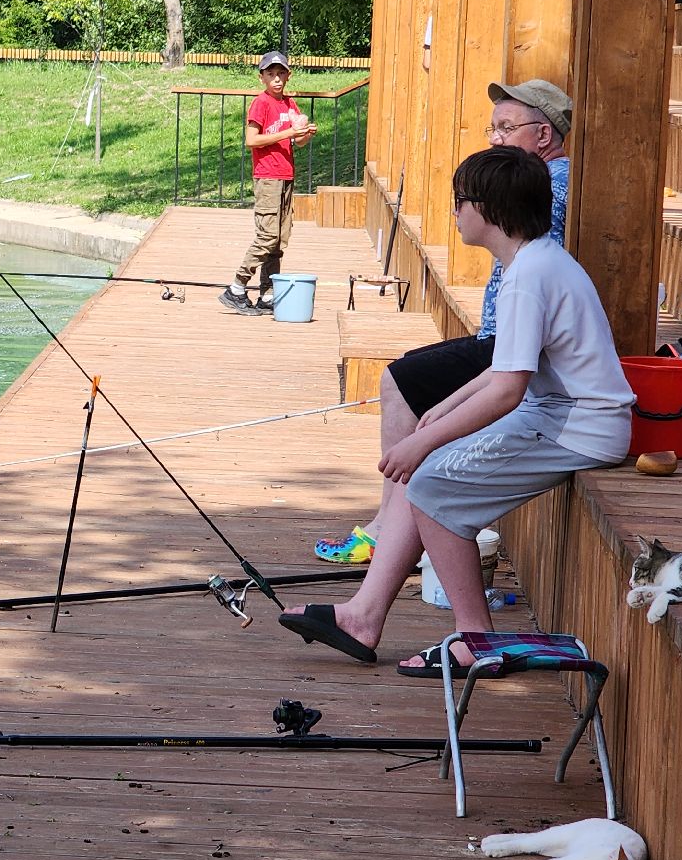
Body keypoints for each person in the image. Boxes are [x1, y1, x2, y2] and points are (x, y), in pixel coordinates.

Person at [279, 146, 633, 675]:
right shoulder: (531, 262)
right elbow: (500, 372)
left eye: (460, 201)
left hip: (577, 426)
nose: (455, 212)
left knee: (430, 487)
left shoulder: (529, 277)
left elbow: (508, 390)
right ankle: (363, 616)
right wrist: (440, 412)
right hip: (558, 414)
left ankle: (474, 642)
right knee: (431, 478)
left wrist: (424, 440)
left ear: (488, 210)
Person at [313, 79, 573, 564]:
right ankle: (387, 525)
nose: (494, 138)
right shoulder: (542, 178)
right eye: (492, 128)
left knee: (403, 379)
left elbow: (536, 273)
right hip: (501, 339)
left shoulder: (549, 186)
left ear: (543, 136)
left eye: (505, 128)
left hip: (516, 348)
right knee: (409, 376)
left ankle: (385, 531)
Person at [219, 50, 318, 316]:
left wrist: (304, 134)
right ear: (262, 77)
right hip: (267, 177)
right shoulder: (261, 104)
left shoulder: (289, 105)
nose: (276, 79)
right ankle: (237, 288)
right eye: (271, 74)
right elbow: (252, 139)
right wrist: (288, 132)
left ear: (288, 75)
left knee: (279, 240)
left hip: (286, 176)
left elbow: (297, 142)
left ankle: (267, 293)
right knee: (266, 237)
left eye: (280, 73)